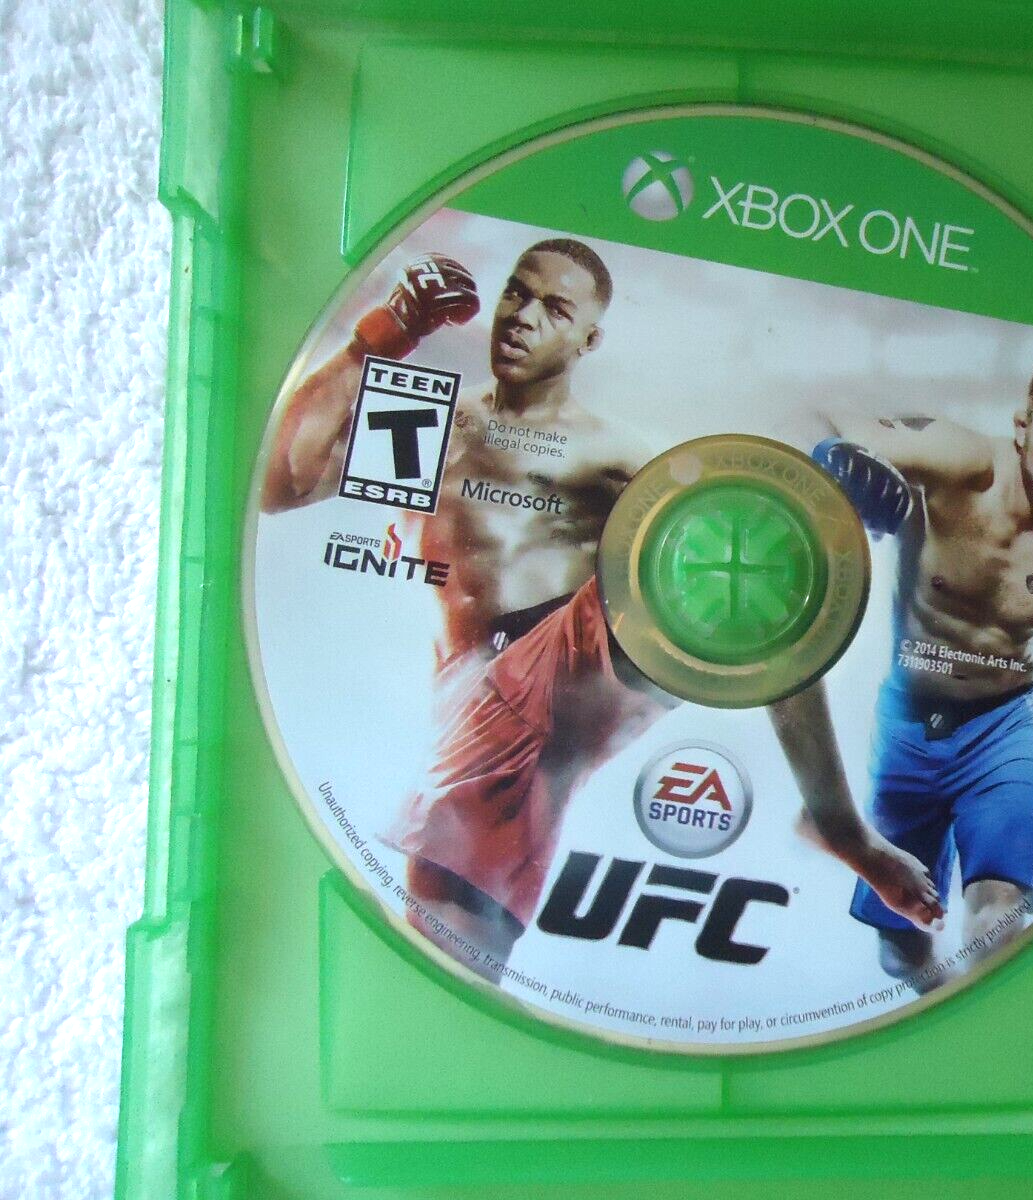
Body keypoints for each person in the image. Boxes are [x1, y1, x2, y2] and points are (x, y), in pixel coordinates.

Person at [261, 243, 939, 980]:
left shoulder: (609, 458)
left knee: (737, 567)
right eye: (517, 294)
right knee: (455, 948)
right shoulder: (439, 425)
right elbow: (283, 483)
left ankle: (834, 809)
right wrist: (380, 336)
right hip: (475, 709)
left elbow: (749, 592)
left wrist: (807, 503)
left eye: (556, 310)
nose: (523, 318)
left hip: (571, 666)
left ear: (588, 340)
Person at [810, 351, 1033, 992]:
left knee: (995, 924)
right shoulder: (960, 460)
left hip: (1004, 726)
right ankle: (943, 1014)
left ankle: (991, 1004)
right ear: (1022, 426)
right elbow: (823, 419)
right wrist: (834, 464)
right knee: (900, 950)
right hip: (907, 726)